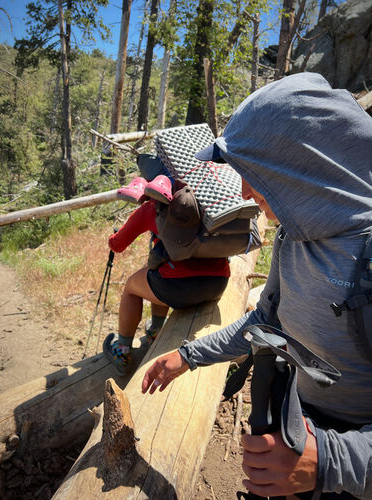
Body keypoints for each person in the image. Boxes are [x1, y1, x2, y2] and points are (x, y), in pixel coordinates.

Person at [141, 72, 372, 499]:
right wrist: (189, 356)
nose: (246, 190)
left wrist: (329, 461)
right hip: (299, 424)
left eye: (256, 173)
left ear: (302, 167)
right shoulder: (295, 236)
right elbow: (268, 321)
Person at [103, 184, 231, 375]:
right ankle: (155, 330)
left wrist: (113, 235)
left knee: (132, 286)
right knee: (157, 272)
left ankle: (122, 351)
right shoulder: (212, 200)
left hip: (176, 288)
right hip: (218, 283)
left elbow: (117, 244)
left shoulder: (156, 207)